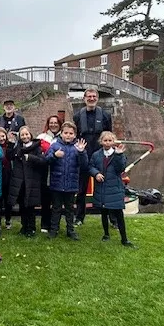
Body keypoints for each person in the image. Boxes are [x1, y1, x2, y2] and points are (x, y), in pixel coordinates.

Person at [73, 89, 112, 226]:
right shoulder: (77, 116)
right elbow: (74, 137)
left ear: (98, 98)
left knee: (106, 187)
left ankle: (111, 218)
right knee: (81, 189)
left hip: (100, 157)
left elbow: (109, 136)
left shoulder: (106, 115)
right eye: (89, 96)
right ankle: (79, 217)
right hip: (83, 156)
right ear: (84, 98)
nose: (91, 98)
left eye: (94, 96)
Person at [88, 131, 134, 247]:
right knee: (104, 213)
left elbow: (121, 168)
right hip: (102, 188)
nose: (107, 143)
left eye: (110, 140)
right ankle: (106, 234)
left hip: (115, 188)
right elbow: (91, 166)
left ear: (113, 142)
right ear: (101, 142)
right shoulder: (96, 155)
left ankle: (124, 239)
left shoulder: (119, 154)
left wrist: (118, 155)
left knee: (119, 214)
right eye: (105, 140)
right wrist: (96, 173)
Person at [45, 121, 88, 240]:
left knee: (70, 209)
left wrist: (81, 152)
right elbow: (46, 160)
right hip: (57, 183)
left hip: (71, 183)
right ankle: (54, 230)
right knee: (56, 208)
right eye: (66, 133)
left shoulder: (78, 148)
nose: (68, 135)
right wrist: (54, 155)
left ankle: (71, 230)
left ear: (75, 135)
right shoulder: (54, 146)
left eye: (71, 133)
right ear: (61, 134)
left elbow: (84, 165)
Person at [7, 126, 46, 237]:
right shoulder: (18, 146)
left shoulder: (37, 147)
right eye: (22, 135)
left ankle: (31, 228)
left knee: (30, 207)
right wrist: (10, 144)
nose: (25, 136)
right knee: (22, 206)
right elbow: (9, 156)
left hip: (32, 181)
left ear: (30, 135)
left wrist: (31, 157)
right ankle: (24, 226)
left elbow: (42, 161)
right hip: (20, 181)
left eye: (26, 134)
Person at [37, 115, 63, 233]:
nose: (53, 125)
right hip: (45, 172)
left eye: (56, 123)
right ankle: (44, 224)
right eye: (51, 123)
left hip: (58, 172)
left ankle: (55, 225)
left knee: (57, 201)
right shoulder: (42, 137)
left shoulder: (63, 138)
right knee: (45, 200)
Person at [0, 127, 13, 229]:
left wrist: (10, 144)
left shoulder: (9, 146)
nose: (1, 138)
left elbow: (10, 156)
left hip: (8, 175)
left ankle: (8, 219)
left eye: (3, 136)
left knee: (8, 199)